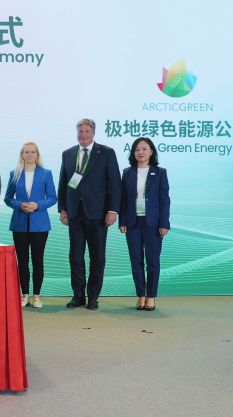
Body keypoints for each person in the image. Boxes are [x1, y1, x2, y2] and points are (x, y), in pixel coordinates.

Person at [58, 119, 121, 310]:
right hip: (75, 214)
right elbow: (63, 183)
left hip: (99, 214)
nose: (83, 134)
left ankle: (93, 297)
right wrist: (63, 208)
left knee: (97, 257)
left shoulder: (106, 152)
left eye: (87, 131)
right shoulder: (68, 153)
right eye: (80, 131)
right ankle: (78, 295)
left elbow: (115, 184)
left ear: (93, 133)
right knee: (75, 257)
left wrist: (113, 210)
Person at [119, 137, 170, 311]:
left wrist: (164, 223)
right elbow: (123, 199)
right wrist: (122, 220)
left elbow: (164, 200)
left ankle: (151, 296)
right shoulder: (127, 172)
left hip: (153, 223)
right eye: (136, 149)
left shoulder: (160, 172)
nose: (140, 152)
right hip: (132, 222)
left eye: (144, 149)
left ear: (151, 152)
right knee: (136, 261)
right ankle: (141, 295)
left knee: (153, 261)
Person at [4, 142, 57, 308]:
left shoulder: (46, 174)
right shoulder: (15, 174)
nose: (29, 155)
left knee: (38, 260)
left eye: (33, 152)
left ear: (37, 155)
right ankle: (24, 295)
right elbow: (8, 198)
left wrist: (37, 205)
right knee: (22, 260)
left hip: (40, 224)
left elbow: (52, 197)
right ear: (22, 155)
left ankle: (37, 296)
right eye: (26, 152)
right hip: (19, 223)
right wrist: (19, 205)